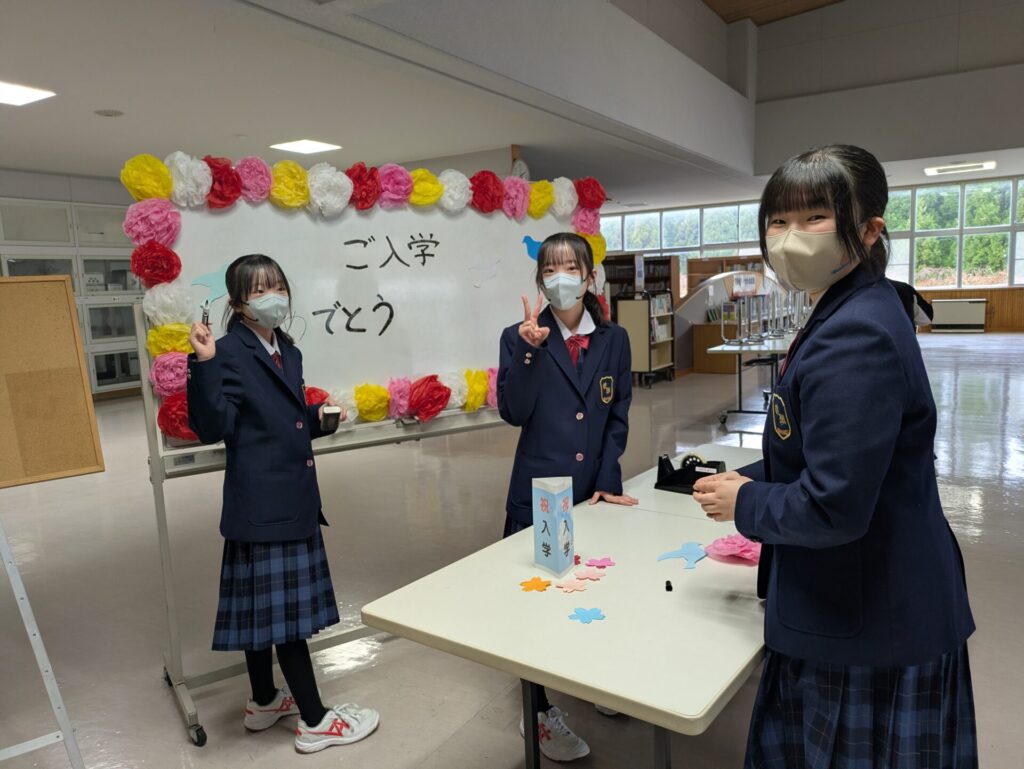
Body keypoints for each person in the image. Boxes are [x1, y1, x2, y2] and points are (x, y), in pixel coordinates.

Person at [693, 145, 977, 768]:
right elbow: (828, 448)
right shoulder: (851, 303)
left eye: (815, 217)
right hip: (872, 600)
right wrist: (748, 477)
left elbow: (834, 506)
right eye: (778, 221)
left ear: (869, 230)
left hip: (869, 618)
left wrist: (748, 502)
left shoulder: (857, 333)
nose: (791, 238)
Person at [187, 253, 380, 755]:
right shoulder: (227, 351)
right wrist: (204, 363)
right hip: (264, 503)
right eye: (258, 290)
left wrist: (318, 418)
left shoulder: (286, 350)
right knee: (287, 622)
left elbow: (279, 420)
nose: (272, 296)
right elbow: (214, 428)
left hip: (288, 497)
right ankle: (315, 721)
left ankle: (264, 700)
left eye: (277, 286)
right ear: (238, 303)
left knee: (261, 615)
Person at [497, 232, 638, 762]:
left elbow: (617, 412)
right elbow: (514, 412)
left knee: (592, 591)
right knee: (537, 601)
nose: (561, 277)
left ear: (589, 277)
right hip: (539, 494)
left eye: (571, 267)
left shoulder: (614, 339)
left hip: (592, 493)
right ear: (540, 280)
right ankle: (536, 711)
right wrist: (529, 353)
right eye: (550, 269)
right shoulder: (519, 337)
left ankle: (593, 676)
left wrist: (608, 476)